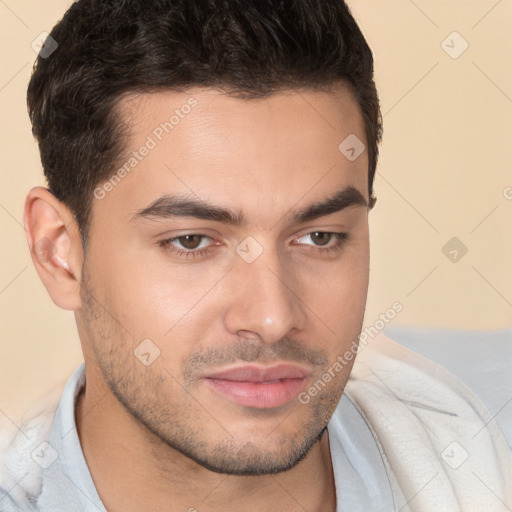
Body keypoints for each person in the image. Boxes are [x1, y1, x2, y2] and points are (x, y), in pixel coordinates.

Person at [1, 0, 510, 510]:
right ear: (59, 253)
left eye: (319, 237)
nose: (272, 317)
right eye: (192, 241)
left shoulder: (485, 457)